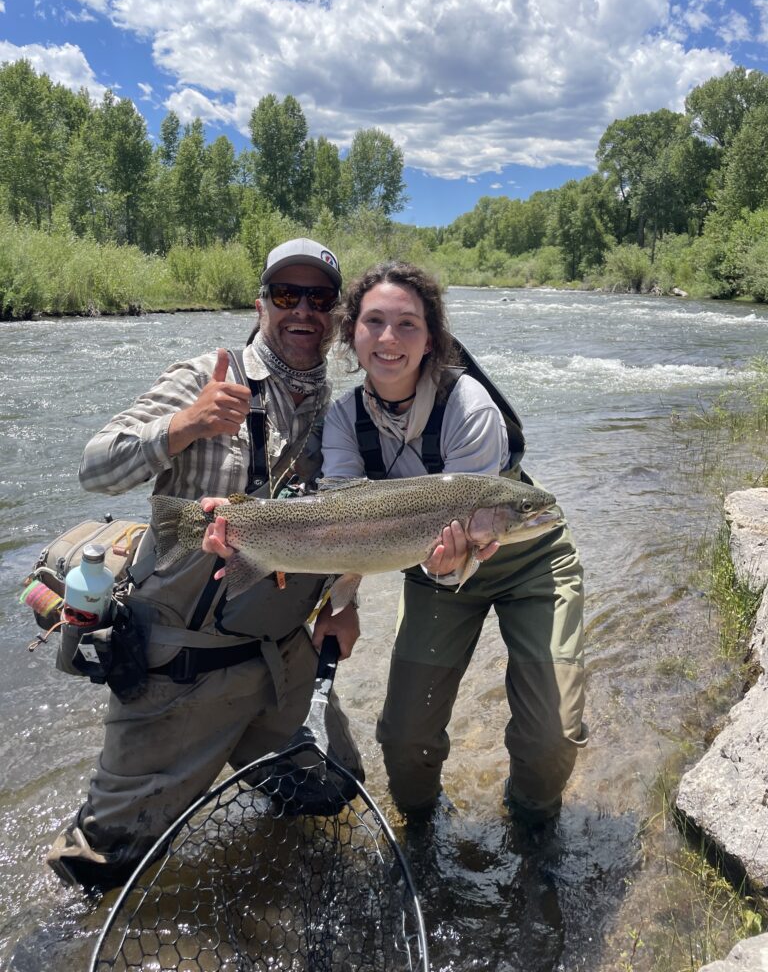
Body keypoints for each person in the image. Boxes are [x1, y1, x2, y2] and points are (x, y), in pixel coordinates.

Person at [46, 238, 364, 890]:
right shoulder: (204, 376)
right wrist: (182, 428)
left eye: (319, 297)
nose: (302, 309)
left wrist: (344, 604)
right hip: (179, 674)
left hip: (280, 662)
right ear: (260, 304)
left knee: (333, 792)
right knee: (101, 870)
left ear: (335, 315)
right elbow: (94, 465)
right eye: (285, 294)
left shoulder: (338, 414)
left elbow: (347, 534)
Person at [320, 260, 587, 825]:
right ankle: (420, 827)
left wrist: (447, 560)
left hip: (527, 558)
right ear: (351, 334)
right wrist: (339, 601)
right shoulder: (343, 419)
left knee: (552, 736)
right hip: (435, 569)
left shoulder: (468, 405)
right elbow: (346, 527)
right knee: (404, 740)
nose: (389, 339)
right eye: (374, 322)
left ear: (432, 339)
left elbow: (476, 525)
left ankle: (533, 826)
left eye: (408, 324)